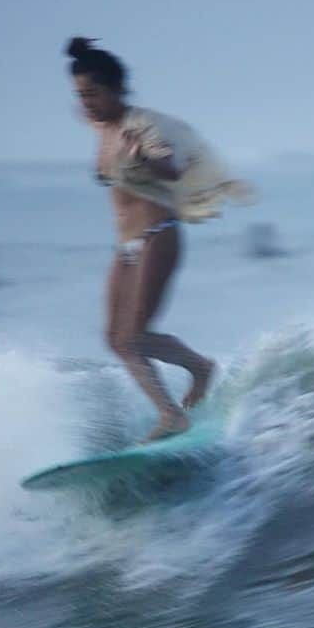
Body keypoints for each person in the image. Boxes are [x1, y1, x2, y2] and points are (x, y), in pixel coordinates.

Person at [65, 36, 251, 441]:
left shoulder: (140, 127)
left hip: (157, 235)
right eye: (81, 95)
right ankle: (197, 373)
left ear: (117, 90)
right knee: (116, 340)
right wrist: (77, 53)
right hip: (126, 247)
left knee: (134, 337)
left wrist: (147, 158)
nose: (87, 103)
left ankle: (174, 411)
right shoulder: (101, 124)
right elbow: (91, 116)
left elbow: (171, 169)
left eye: (93, 93)